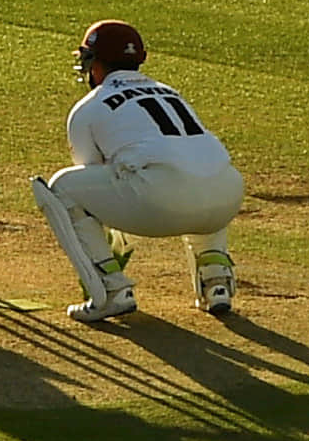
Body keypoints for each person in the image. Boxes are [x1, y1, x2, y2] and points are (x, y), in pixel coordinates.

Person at [36, 19, 245, 325]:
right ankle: (217, 283)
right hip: (228, 196)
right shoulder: (170, 92)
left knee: (62, 187)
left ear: (95, 65)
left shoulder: (88, 108)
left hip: (159, 202)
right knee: (199, 168)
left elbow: (91, 175)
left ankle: (110, 288)